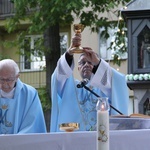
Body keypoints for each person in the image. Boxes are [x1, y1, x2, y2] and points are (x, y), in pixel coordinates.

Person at [50, 33, 129, 132]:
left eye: (90, 62)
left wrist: (98, 62)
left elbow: (117, 82)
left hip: (101, 138)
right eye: (82, 63)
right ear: (78, 68)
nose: (86, 65)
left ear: (96, 66)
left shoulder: (103, 87)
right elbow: (58, 77)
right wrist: (69, 54)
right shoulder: (70, 87)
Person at [0, 59, 47, 134]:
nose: (5, 84)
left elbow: (32, 124)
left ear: (17, 77)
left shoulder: (30, 94)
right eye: (1, 79)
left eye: (9, 80)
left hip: (19, 144)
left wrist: (13, 142)